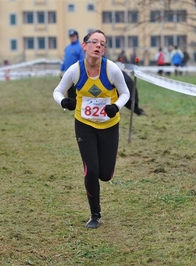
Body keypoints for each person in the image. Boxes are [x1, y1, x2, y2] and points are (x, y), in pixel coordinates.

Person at [53, 29, 130, 229]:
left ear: (104, 50)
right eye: (94, 42)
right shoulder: (75, 70)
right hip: (84, 124)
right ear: (84, 46)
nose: (98, 46)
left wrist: (116, 107)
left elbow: (125, 93)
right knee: (91, 170)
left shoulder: (111, 69)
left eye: (102, 44)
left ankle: (104, 173)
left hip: (109, 125)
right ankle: (95, 215)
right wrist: (64, 102)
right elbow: (58, 91)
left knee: (105, 174)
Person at [60, 30, 84, 100]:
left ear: (77, 37)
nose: (72, 38)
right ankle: (70, 104)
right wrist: (61, 69)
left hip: (76, 73)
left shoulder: (80, 47)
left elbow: (82, 60)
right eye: (70, 36)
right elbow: (65, 60)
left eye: (73, 36)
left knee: (75, 90)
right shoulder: (67, 48)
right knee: (69, 89)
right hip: (67, 72)